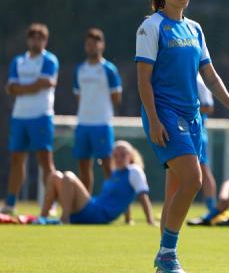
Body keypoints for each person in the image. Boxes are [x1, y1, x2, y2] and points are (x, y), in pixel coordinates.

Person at [136, 0, 229, 273]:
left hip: (193, 115)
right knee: (193, 180)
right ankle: (168, 255)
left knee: (177, 187)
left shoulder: (195, 28)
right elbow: (143, 81)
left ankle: (165, 261)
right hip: (166, 114)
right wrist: (155, 120)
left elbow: (211, 77)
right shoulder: (151, 26)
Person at [2, 23, 59, 214]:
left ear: (45, 40)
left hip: (41, 116)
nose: (36, 41)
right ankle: (10, 203)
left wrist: (22, 88)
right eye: (33, 37)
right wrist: (32, 86)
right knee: (17, 159)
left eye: (40, 37)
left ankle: (50, 204)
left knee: (45, 160)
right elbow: (10, 88)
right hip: (20, 117)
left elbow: (42, 84)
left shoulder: (50, 60)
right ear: (28, 40)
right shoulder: (18, 61)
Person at [38, 140, 155, 225]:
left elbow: (142, 197)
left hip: (97, 214)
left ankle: (64, 218)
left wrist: (150, 220)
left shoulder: (134, 171)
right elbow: (124, 197)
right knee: (54, 176)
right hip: (91, 208)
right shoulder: (115, 173)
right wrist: (128, 219)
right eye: (115, 155)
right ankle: (42, 219)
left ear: (130, 156)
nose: (118, 158)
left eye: (123, 155)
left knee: (68, 176)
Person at [72, 28, 122, 192]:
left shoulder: (109, 70)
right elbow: (78, 96)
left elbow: (116, 98)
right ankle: (85, 204)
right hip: (83, 123)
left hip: (102, 123)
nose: (91, 47)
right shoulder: (80, 69)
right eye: (88, 44)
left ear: (102, 46)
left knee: (108, 166)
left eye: (95, 44)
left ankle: (112, 200)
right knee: (84, 166)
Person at [196, 73, 219, 219]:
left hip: (197, 131)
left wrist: (185, 111)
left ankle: (212, 209)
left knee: (204, 170)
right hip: (183, 130)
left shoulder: (198, 79)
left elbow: (208, 107)